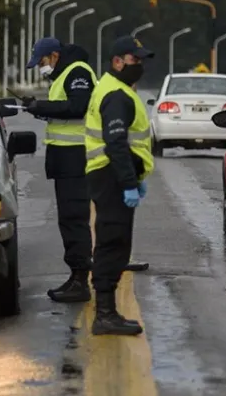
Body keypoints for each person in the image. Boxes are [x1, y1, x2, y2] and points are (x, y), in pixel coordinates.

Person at [84, 35, 155, 335]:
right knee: (112, 243)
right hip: (111, 176)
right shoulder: (116, 95)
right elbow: (116, 142)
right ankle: (105, 314)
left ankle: (107, 311)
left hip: (111, 176)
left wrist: (134, 179)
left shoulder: (115, 88)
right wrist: (128, 182)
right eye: (134, 59)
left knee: (114, 241)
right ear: (117, 61)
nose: (138, 65)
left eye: (140, 60)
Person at [21, 37, 97, 303]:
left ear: (54, 55)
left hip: (77, 157)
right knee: (68, 218)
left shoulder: (77, 72)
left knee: (74, 218)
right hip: (65, 158)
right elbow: (62, 110)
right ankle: (76, 276)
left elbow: (77, 108)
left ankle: (80, 280)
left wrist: (40, 106)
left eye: (42, 62)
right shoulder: (64, 73)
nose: (42, 68)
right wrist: (37, 109)